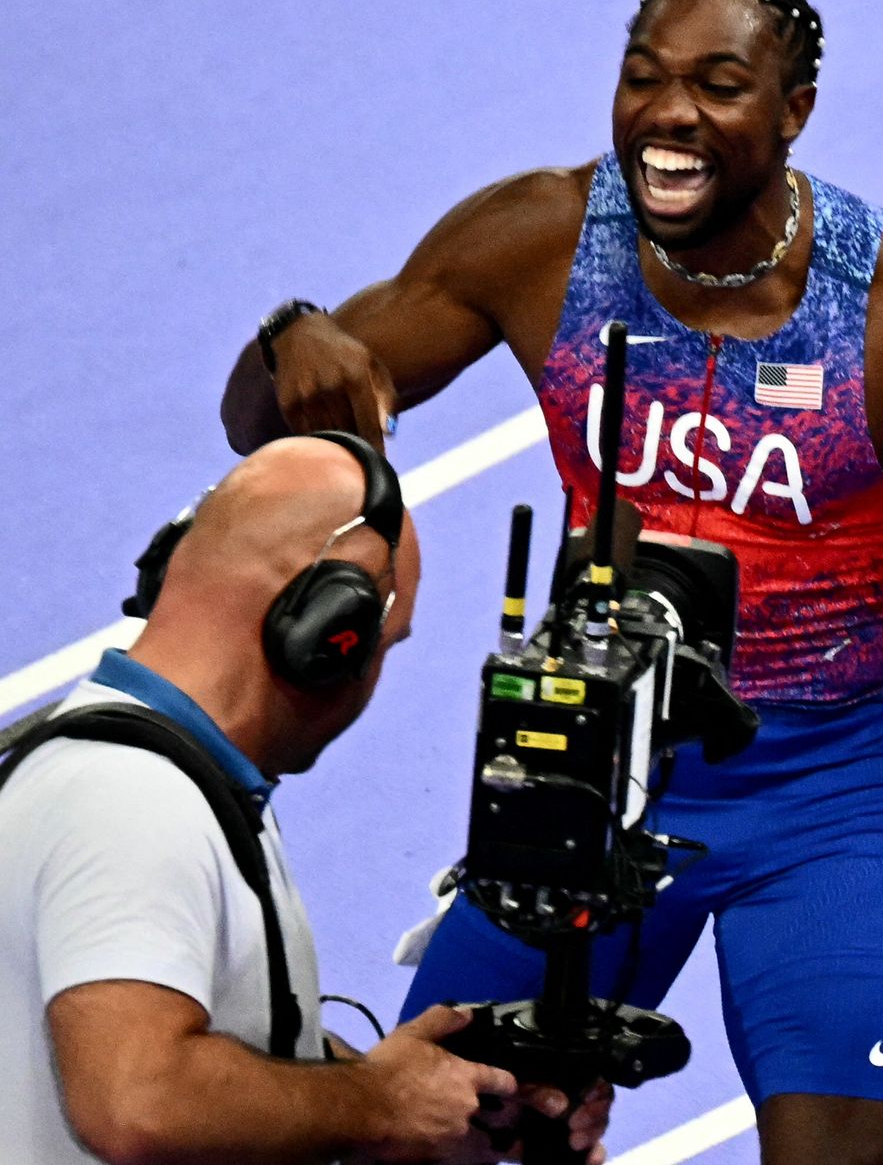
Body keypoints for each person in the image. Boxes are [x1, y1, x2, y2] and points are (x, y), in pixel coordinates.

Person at [220, 0, 883, 1165]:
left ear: (792, 111)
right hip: (581, 779)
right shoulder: (537, 243)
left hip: (822, 804)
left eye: (717, 83)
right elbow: (266, 414)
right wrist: (290, 337)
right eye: (643, 78)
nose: (668, 113)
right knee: (413, 1134)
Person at [0, 434, 609, 1165]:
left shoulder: (163, 777)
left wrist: (420, 1098)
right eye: (379, 646)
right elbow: (140, 1099)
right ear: (327, 635)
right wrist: (380, 1104)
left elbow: (233, 1037)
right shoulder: (131, 800)